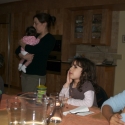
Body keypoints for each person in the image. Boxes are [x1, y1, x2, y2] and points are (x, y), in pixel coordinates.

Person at [15, 13, 56, 92]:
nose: (33, 26)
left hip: (36, 76)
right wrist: (23, 56)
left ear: (44, 24)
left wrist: (22, 43)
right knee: (26, 99)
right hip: (25, 73)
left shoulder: (49, 39)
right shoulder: (34, 36)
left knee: (30, 101)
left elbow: (35, 50)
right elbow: (17, 50)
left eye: (36, 23)